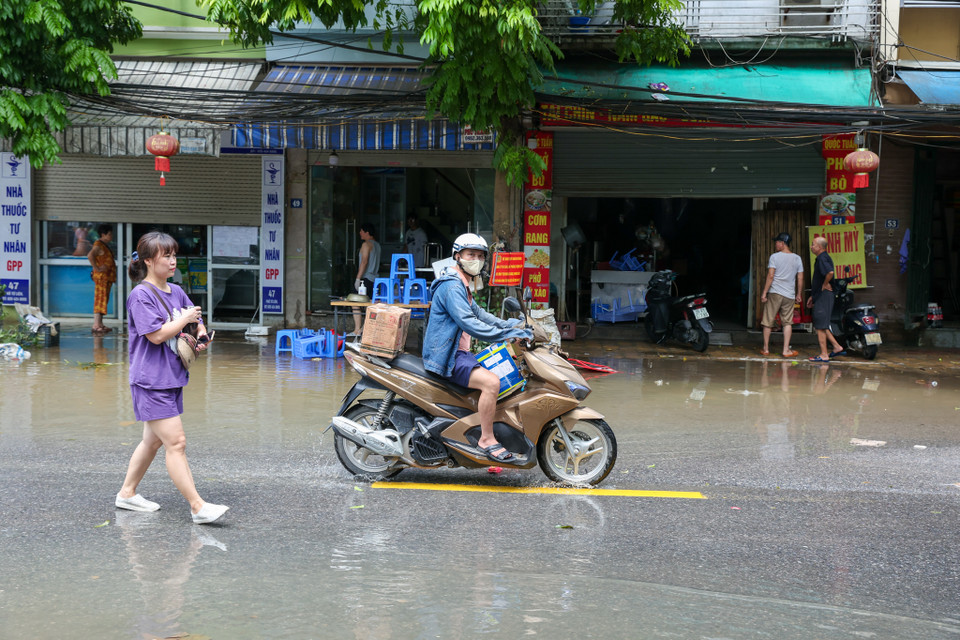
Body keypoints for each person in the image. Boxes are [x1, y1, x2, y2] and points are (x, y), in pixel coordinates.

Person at [116, 231, 228, 525]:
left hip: (171, 377)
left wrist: (200, 330)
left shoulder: (175, 290)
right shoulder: (140, 295)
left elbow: (195, 315)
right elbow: (155, 336)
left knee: (152, 442)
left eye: (174, 255)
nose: (173, 261)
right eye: (166, 256)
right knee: (176, 443)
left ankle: (127, 494)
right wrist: (186, 320)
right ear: (149, 261)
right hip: (151, 381)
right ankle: (197, 506)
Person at [422, 233, 533, 463]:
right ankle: (486, 439)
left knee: (504, 370)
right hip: (448, 356)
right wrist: (507, 334)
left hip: (457, 352)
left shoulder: (462, 284)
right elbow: (469, 323)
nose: (477, 260)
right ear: (457, 256)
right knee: (492, 382)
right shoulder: (452, 287)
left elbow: (481, 315)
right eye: (471, 254)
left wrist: (513, 325)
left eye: (481, 256)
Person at [759, 232, 803, 358]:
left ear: (782, 243)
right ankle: (785, 350)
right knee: (787, 322)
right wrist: (798, 294)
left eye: (777, 242)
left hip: (775, 293)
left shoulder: (775, 257)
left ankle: (766, 349)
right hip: (789, 294)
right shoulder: (797, 258)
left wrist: (764, 292)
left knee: (768, 321)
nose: (775, 244)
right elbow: (800, 278)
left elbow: (771, 275)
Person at [806, 236, 846, 362]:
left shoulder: (822, 258)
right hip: (821, 295)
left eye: (813, 244)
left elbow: (830, 272)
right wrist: (813, 296)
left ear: (819, 247)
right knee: (821, 324)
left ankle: (824, 354)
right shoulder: (822, 258)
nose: (811, 247)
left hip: (824, 295)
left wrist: (825, 284)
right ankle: (837, 347)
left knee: (820, 326)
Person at [87, 224, 117, 334]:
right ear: (103, 234)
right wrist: (97, 268)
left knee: (103, 301)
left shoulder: (103, 245)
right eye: (109, 234)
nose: (111, 236)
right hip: (102, 278)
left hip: (106, 278)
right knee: (100, 301)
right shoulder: (98, 245)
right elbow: (90, 255)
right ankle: (96, 325)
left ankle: (100, 324)